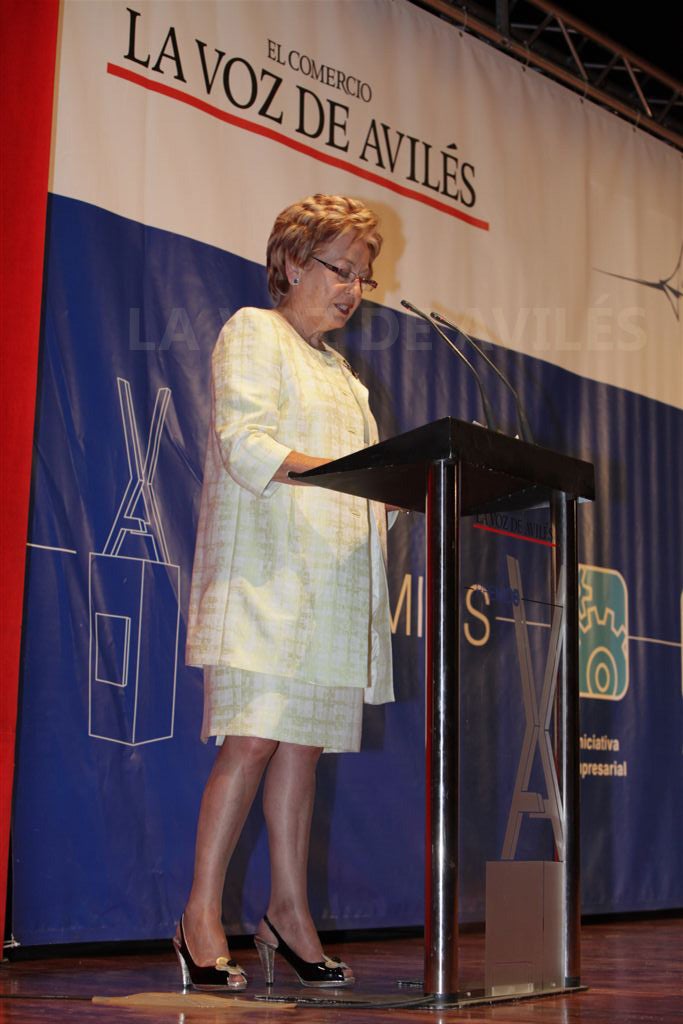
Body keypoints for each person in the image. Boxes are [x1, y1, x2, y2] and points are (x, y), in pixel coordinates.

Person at [175, 195, 395, 992]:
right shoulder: (253, 331)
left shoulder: (344, 375)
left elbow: (367, 480)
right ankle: (200, 915)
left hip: (330, 589)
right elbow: (244, 441)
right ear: (293, 262)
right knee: (254, 739)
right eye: (341, 270)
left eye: (364, 278)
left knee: (302, 749)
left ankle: (287, 914)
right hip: (265, 577)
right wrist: (347, 476)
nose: (353, 290)